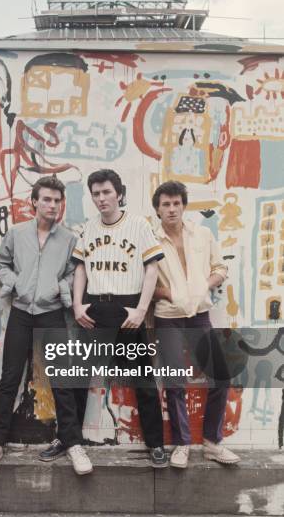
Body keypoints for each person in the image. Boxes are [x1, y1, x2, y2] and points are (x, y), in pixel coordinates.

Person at [0, 176, 92, 475]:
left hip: (52, 313)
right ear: (34, 202)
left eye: (57, 200)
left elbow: (74, 273)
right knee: (9, 379)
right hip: (20, 312)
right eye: (47, 199)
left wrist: (59, 288)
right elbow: (0, 264)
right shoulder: (17, 234)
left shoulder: (69, 239)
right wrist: (15, 283)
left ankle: (72, 443)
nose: (52, 205)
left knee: (62, 381)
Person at [72, 168, 168, 468]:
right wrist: (77, 305)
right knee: (76, 377)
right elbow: (80, 269)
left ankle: (155, 444)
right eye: (96, 194)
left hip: (128, 309)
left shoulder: (138, 225)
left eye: (106, 192)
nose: (101, 199)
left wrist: (141, 309)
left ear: (119, 193)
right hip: (96, 309)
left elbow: (152, 268)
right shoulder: (88, 228)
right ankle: (69, 439)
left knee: (143, 379)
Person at [151, 180, 240, 468]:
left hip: (199, 315)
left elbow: (220, 267)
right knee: (175, 383)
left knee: (221, 377)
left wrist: (204, 285)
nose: (172, 208)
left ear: (184, 206)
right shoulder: (151, 241)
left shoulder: (202, 235)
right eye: (166, 204)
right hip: (168, 318)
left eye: (177, 203)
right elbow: (144, 285)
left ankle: (212, 444)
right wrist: (170, 292)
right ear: (158, 209)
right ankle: (181, 444)